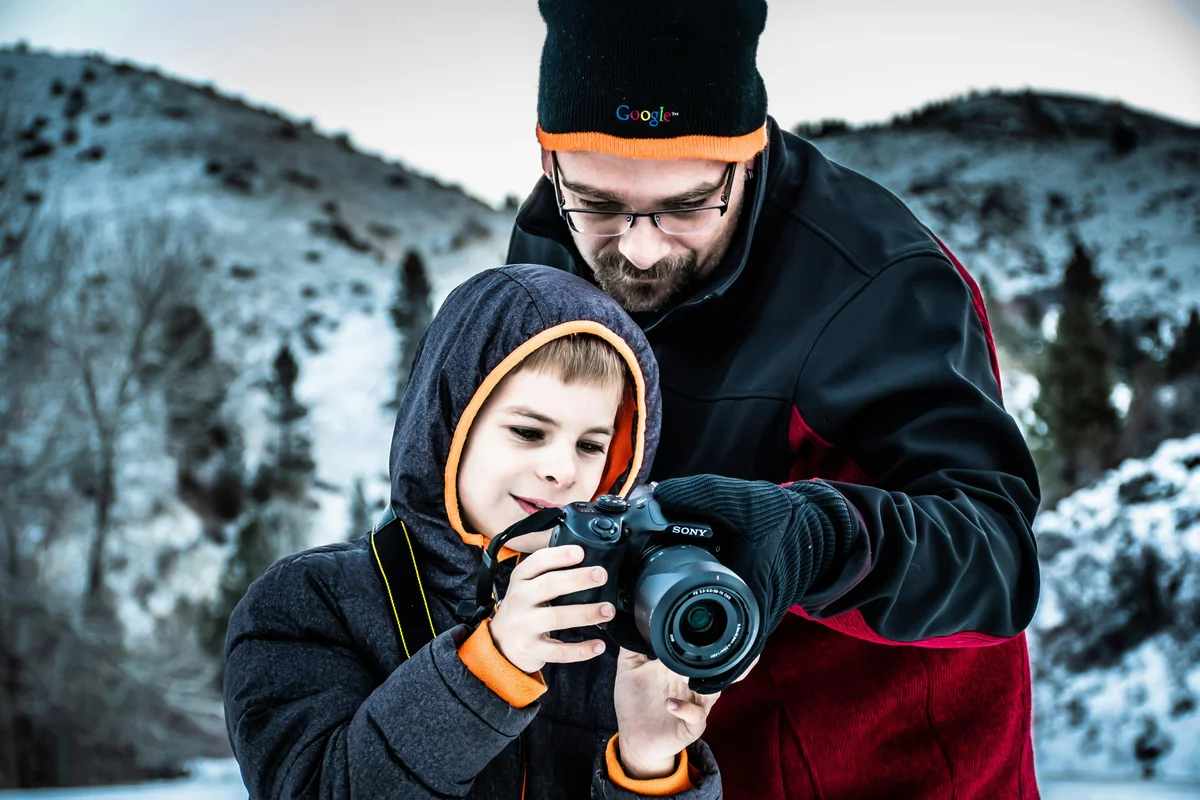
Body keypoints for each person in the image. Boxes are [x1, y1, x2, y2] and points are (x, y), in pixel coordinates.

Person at [506, 1, 1043, 797]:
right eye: (601, 204)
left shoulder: (877, 283)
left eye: (688, 205)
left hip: (890, 772)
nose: (641, 247)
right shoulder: (553, 240)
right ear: (550, 160)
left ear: (748, 153)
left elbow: (997, 560)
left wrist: (820, 539)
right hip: (658, 762)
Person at [224, 264, 726, 798]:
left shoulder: (617, 627)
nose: (563, 470)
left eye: (590, 445)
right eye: (528, 431)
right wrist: (492, 665)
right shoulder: (306, 606)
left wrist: (648, 767)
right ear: (448, 423)